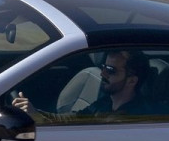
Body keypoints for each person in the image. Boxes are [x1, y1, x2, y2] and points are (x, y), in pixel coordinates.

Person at [12, 49, 154, 122]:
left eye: (110, 70)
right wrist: (35, 113)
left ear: (131, 81)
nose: (102, 74)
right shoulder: (105, 103)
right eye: (104, 67)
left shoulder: (133, 118)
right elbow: (73, 119)